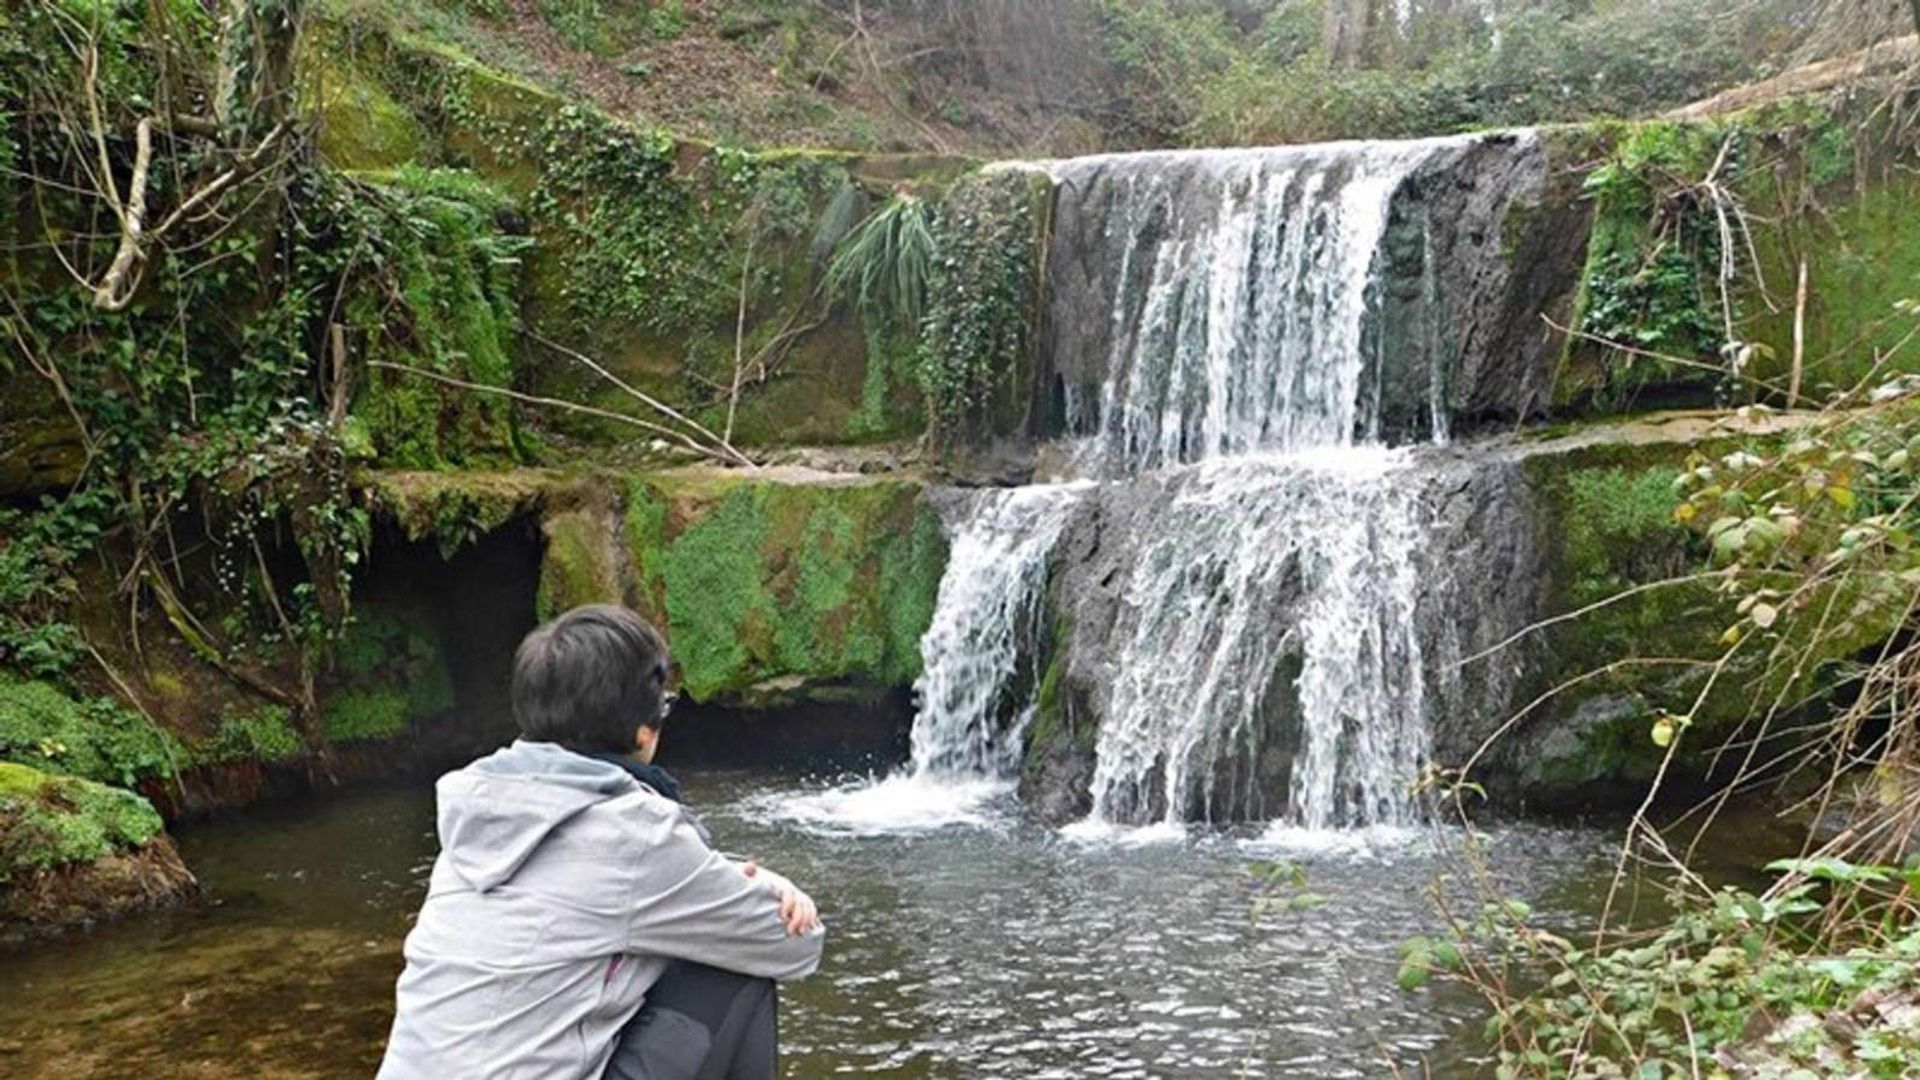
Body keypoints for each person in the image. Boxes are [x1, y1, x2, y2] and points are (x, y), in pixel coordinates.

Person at [377, 605, 824, 1080]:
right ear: (642, 732)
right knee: (733, 966)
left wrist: (721, 880)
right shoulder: (635, 831)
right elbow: (794, 946)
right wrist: (768, 889)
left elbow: (589, 889)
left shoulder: (479, 814)